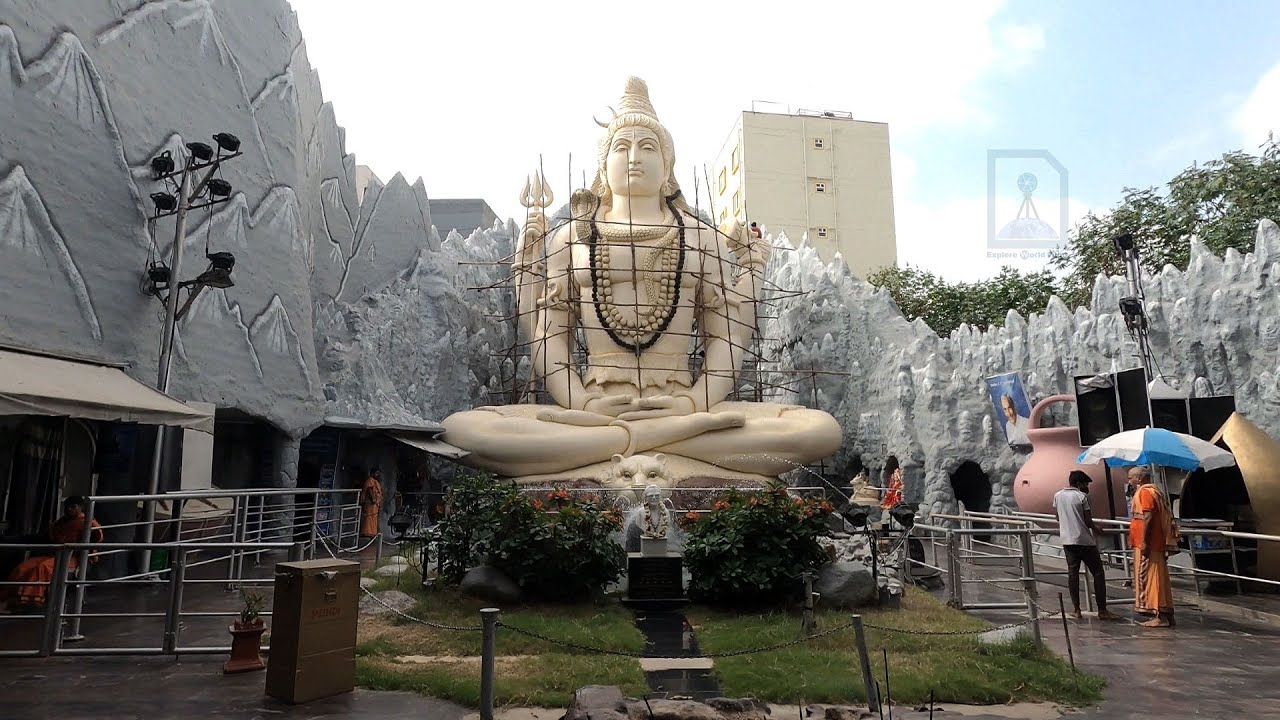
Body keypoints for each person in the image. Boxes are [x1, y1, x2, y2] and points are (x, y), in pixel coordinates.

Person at [2, 496, 103, 611]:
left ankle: (28, 603)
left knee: (42, 567)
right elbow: (42, 538)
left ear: (81, 507)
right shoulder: (59, 523)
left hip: (74, 559)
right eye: (67, 506)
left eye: (73, 507)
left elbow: (96, 539)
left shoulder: (88, 523)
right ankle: (9, 598)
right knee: (23, 567)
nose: (69, 509)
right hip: (54, 555)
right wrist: (7, 540)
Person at [1052, 471, 1120, 620]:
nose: (1087, 487)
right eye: (1086, 484)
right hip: (1084, 541)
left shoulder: (1058, 496)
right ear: (1079, 484)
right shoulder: (1082, 497)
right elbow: (1088, 520)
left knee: (1073, 574)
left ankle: (1076, 609)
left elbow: (1058, 517)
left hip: (1067, 541)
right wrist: (1097, 530)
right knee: (1097, 573)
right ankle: (1102, 609)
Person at [1128, 466, 1178, 627]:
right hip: (1152, 542)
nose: (1129, 481)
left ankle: (1159, 615)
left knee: (1150, 578)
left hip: (1149, 544)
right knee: (1158, 578)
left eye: (1131, 478)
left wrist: (1144, 541)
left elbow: (1147, 517)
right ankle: (1166, 614)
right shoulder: (1154, 491)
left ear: (1140, 478)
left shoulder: (1145, 492)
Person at [360, 468, 385, 540]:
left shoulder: (375, 481)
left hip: (374, 505)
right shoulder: (370, 481)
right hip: (370, 504)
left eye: (378, 473)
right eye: (376, 473)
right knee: (369, 518)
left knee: (373, 519)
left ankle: (373, 533)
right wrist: (374, 499)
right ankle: (368, 533)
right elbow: (370, 490)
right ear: (372, 474)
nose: (378, 475)